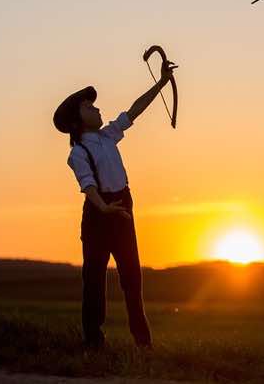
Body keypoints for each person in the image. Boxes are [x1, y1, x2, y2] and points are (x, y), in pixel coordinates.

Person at [52, 61, 174, 351]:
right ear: (76, 122)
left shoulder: (108, 136)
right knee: (94, 279)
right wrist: (103, 208)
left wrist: (161, 83)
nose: (95, 108)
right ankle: (93, 342)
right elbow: (88, 185)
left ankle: (143, 343)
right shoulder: (78, 152)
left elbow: (134, 111)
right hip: (99, 214)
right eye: (87, 107)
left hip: (122, 208)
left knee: (132, 276)